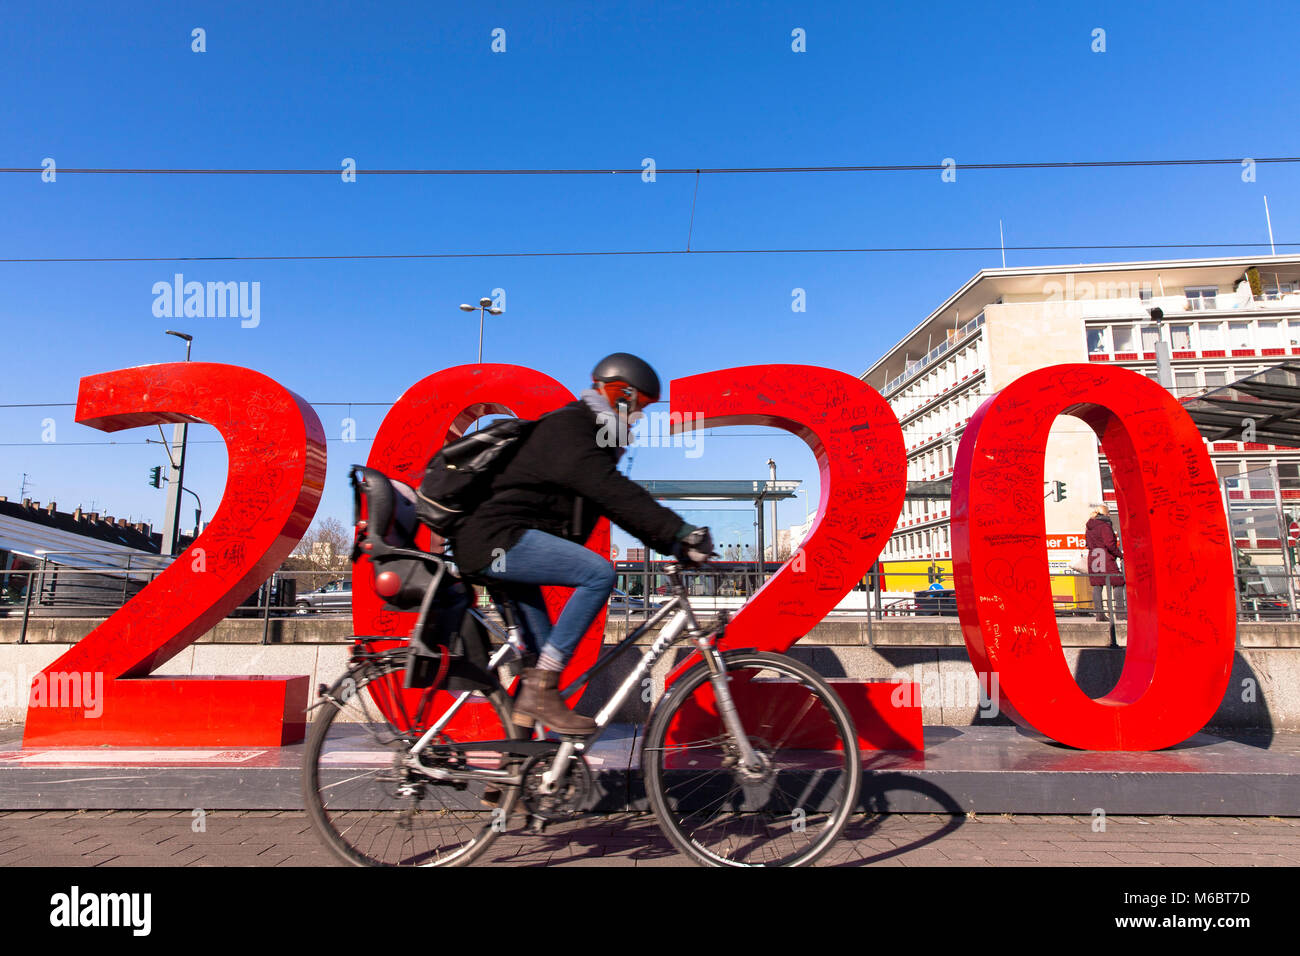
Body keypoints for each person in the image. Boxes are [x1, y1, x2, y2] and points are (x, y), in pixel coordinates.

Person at [450, 352, 713, 735]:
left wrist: (673, 545)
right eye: (639, 405)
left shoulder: (588, 435)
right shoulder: (574, 428)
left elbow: (616, 505)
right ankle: (542, 694)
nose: (639, 417)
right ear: (620, 394)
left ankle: (515, 775)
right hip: (494, 540)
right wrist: (680, 533)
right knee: (597, 573)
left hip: (500, 541)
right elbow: (614, 493)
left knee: (540, 660)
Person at [1085, 504, 1124, 622]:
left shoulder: (1089, 527)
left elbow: (1087, 543)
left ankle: (1099, 614)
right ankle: (1120, 612)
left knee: (1097, 585)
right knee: (1117, 581)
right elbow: (1110, 545)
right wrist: (1121, 555)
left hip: (1093, 556)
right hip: (1105, 557)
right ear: (1106, 514)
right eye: (1109, 513)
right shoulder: (1105, 526)